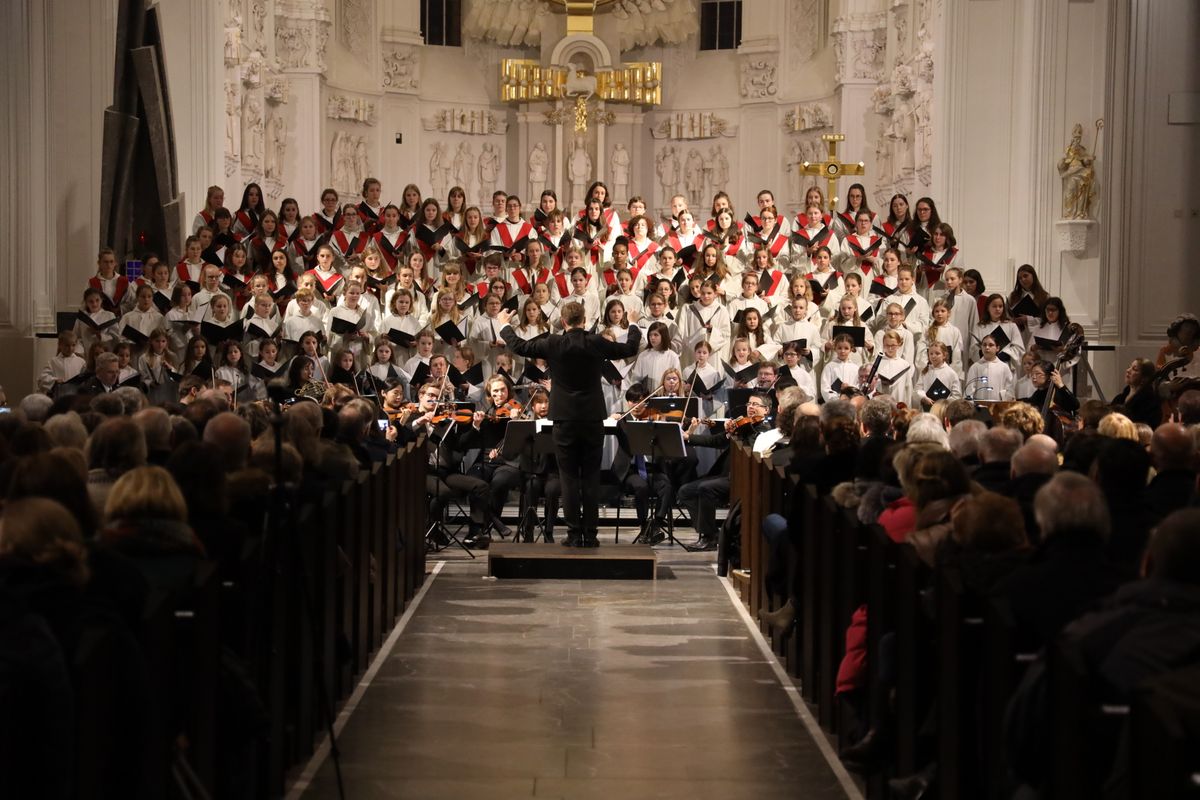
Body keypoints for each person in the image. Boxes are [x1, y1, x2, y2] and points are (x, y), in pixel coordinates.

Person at [497, 301, 642, 548]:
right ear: (584, 321)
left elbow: (520, 346)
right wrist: (634, 324)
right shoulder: (596, 342)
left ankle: (575, 534)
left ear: (563, 322)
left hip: (564, 419)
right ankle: (591, 534)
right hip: (592, 418)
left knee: (569, 478)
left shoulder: (553, 343)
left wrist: (504, 326)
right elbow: (629, 347)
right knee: (591, 476)